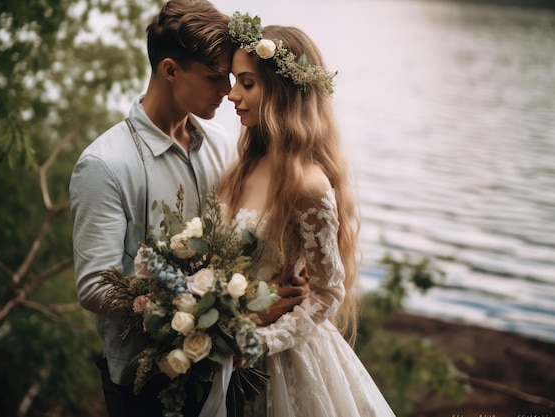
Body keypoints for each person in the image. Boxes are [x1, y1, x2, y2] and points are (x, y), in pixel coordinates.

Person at [69, 2, 308, 417]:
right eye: (215, 77)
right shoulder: (105, 164)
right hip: (147, 384)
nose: (227, 91)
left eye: (232, 79)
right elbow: (95, 287)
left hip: (231, 372)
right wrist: (235, 311)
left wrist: (288, 266)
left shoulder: (220, 142)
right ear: (170, 70)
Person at [219, 12, 396, 417]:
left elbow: (328, 292)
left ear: (280, 90)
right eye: (233, 83)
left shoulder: (307, 184)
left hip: (283, 359)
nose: (232, 96)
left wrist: (259, 342)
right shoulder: (244, 165)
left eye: (246, 83)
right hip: (230, 346)